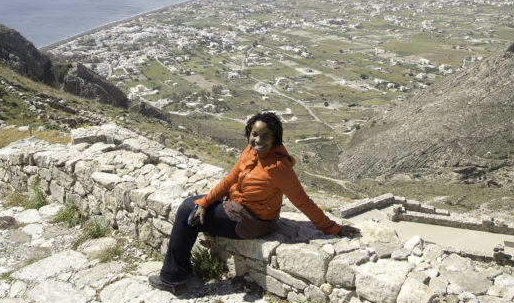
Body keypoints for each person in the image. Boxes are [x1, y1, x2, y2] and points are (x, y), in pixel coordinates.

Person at [149, 111, 360, 292]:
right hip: (235, 207)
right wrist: (204, 202)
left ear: (275, 138)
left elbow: (302, 201)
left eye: (265, 136)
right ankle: (179, 270)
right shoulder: (249, 153)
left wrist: (333, 228)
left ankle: (173, 277)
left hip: (252, 222)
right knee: (193, 206)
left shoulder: (279, 167)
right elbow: (229, 181)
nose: (258, 141)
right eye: (254, 134)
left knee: (187, 208)